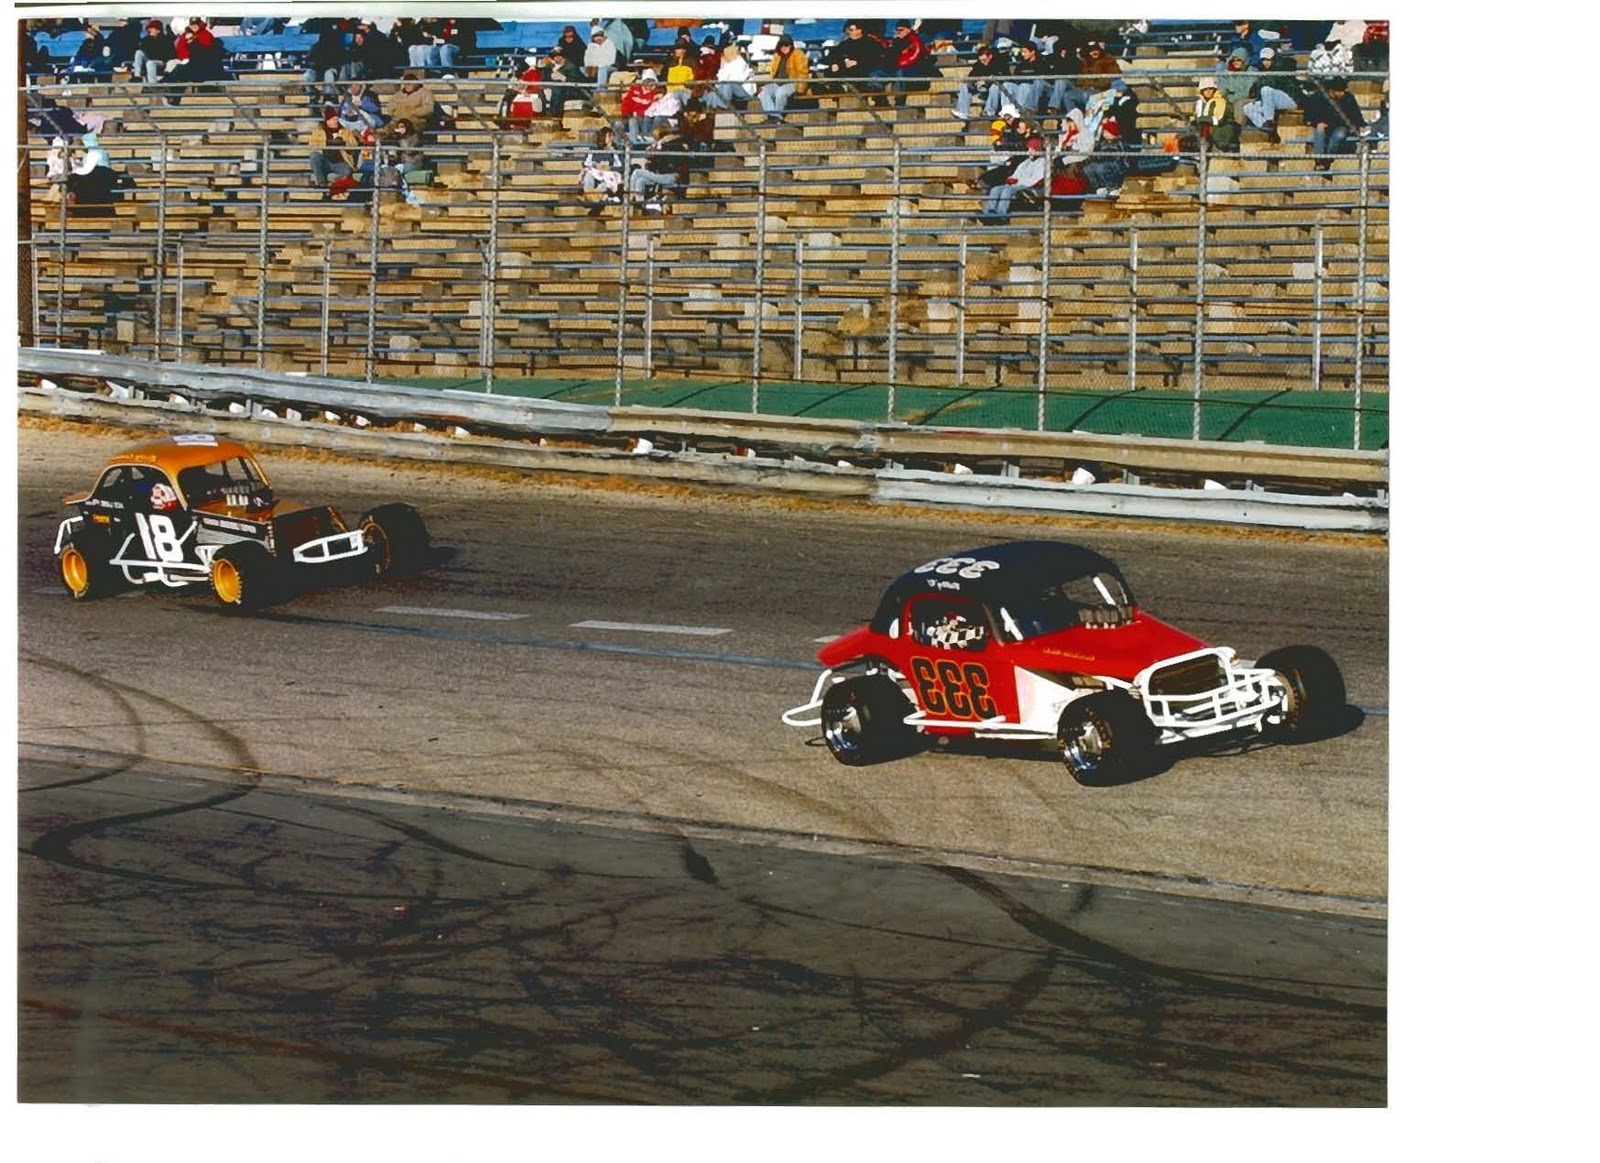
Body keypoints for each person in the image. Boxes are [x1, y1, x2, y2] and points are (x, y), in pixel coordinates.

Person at [1300, 75, 1364, 172]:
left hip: (1341, 125)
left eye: (1343, 91)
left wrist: (1361, 124)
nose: (1342, 93)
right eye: (1340, 91)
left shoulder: (1348, 98)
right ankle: (1319, 160)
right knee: (1319, 132)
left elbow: (1355, 115)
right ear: (1332, 91)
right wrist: (1317, 122)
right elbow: (1308, 115)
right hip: (1323, 125)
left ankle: (1327, 160)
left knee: (1339, 135)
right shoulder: (1318, 98)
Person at [979, 134, 1048, 222]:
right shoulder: (1026, 162)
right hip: (1018, 185)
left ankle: (1001, 215)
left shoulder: (1042, 162)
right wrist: (1011, 178)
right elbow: (1017, 174)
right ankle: (990, 212)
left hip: (1031, 188)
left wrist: (1017, 181)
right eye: (1029, 149)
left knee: (1007, 191)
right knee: (995, 189)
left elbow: (1036, 179)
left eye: (1032, 149)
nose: (1029, 151)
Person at [823, 20, 891, 106]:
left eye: (851, 30)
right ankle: (836, 95)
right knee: (830, 72)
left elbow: (875, 60)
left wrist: (857, 62)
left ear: (859, 30)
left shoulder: (871, 43)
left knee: (869, 76)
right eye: (848, 30)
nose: (848, 33)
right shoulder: (845, 44)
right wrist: (834, 63)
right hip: (848, 71)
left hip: (865, 71)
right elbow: (834, 55)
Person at [1240, 46, 1301, 142]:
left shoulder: (1281, 67)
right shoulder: (1262, 71)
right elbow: (1254, 91)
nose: (1266, 62)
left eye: (1269, 59)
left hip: (1288, 99)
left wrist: (1258, 86)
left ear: (1274, 59)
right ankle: (1270, 130)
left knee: (1266, 90)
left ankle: (1269, 121)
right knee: (1247, 108)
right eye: (1264, 60)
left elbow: (1272, 84)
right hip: (1271, 103)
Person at [630, 122, 687, 209]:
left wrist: (653, 151)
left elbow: (658, 161)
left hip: (670, 175)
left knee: (637, 172)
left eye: (656, 138)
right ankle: (639, 203)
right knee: (640, 181)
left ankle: (629, 198)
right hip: (661, 174)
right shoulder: (662, 145)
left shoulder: (668, 145)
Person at [759, 34, 811, 122]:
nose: (784, 48)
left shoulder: (798, 54)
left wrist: (800, 89)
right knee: (763, 91)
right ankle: (773, 116)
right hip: (777, 83)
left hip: (793, 83)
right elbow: (772, 72)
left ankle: (776, 116)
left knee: (781, 92)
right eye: (781, 45)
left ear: (791, 45)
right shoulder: (777, 56)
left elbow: (803, 72)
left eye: (786, 45)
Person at [953, 42, 1010, 121]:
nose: (982, 62)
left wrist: (986, 81)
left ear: (990, 56)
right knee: (964, 86)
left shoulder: (1000, 63)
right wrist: (973, 82)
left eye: (984, 60)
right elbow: (971, 77)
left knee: (995, 87)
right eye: (981, 60)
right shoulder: (978, 65)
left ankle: (989, 111)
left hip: (995, 88)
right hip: (981, 88)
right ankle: (963, 111)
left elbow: (1003, 77)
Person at [308, 106, 359, 191]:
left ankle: (333, 184)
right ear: (327, 121)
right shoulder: (319, 131)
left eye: (336, 119)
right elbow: (312, 144)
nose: (335, 121)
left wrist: (344, 143)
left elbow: (354, 145)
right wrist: (327, 143)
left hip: (340, 162)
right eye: (333, 119)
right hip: (325, 161)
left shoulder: (345, 131)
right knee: (314, 157)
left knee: (347, 171)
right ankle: (322, 183)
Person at [888, 19, 938, 107]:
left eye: (901, 30)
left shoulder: (915, 40)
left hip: (918, 73)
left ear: (908, 30)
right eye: (897, 30)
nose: (898, 32)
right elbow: (890, 58)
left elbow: (914, 57)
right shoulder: (896, 42)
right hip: (904, 72)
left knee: (900, 73)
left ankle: (900, 101)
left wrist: (899, 64)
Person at [579, 126, 624, 212]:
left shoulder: (616, 150)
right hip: (596, 175)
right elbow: (585, 164)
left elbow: (621, 166)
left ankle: (591, 198)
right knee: (588, 175)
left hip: (608, 176)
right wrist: (596, 165)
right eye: (610, 136)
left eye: (612, 136)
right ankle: (590, 196)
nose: (612, 138)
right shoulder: (594, 149)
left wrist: (610, 165)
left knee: (607, 180)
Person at [1191, 76, 1239, 152]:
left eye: (1210, 89)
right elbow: (1196, 117)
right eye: (1205, 89)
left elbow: (1219, 120)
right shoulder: (1199, 102)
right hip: (1205, 130)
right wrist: (1201, 119)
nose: (1208, 91)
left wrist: (1202, 119)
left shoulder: (1221, 101)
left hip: (1222, 130)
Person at [703, 42, 756, 110]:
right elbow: (719, 83)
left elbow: (738, 80)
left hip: (743, 91)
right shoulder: (725, 64)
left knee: (728, 84)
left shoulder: (740, 62)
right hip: (728, 91)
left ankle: (723, 106)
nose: (724, 52)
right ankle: (711, 109)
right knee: (712, 92)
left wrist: (724, 73)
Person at [617, 69, 663, 145]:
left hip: (648, 120)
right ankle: (633, 145)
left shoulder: (657, 93)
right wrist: (627, 114)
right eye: (646, 81)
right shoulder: (634, 91)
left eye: (651, 81)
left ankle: (643, 141)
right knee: (622, 123)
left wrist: (646, 102)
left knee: (640, 119)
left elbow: (654, 109)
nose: (648, 84)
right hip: (634, 117)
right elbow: (627, 104)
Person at [133, 20, 176, 85]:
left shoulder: (166, 40)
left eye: (152, 29)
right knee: (138, 52)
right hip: (149, 59)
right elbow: (143, 49)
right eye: (149, 28)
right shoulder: (146, 40)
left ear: (158, 30)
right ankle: (137, 75)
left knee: (150, 63)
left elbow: (170, 54)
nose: (149, 30)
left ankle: (152, 85)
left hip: (161, 62)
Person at [584, 26, 619, 95]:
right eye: (595, 36)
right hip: (595, 67)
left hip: (610, 67)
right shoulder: (590, 46)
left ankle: (601, 91)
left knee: (602, 69)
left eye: (600, 36)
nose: (598, 38)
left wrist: (596, 64)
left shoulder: (609, 44)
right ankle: (585, 91)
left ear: (603, 36)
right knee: (582, 69)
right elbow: (587, 60)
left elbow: (610, 60)